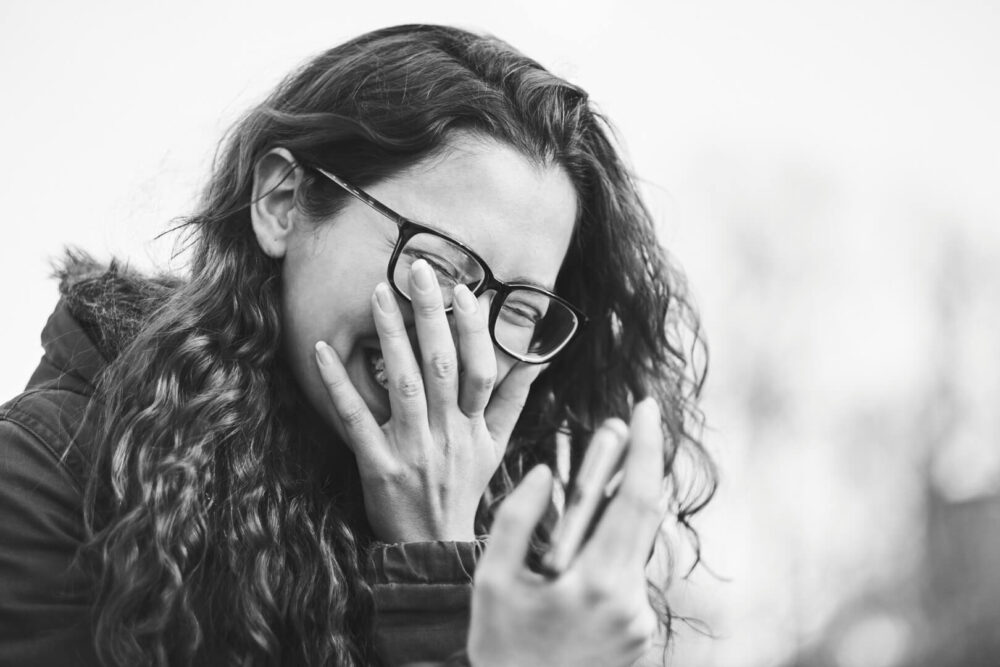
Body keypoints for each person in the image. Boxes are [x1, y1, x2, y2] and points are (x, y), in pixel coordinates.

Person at [0, 24, 714, 666]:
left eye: (519, 308)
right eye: (436, 266)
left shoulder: (526, 549)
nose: (465, 346)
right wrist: (434, 581)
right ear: (282, 203)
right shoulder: (43, 476)